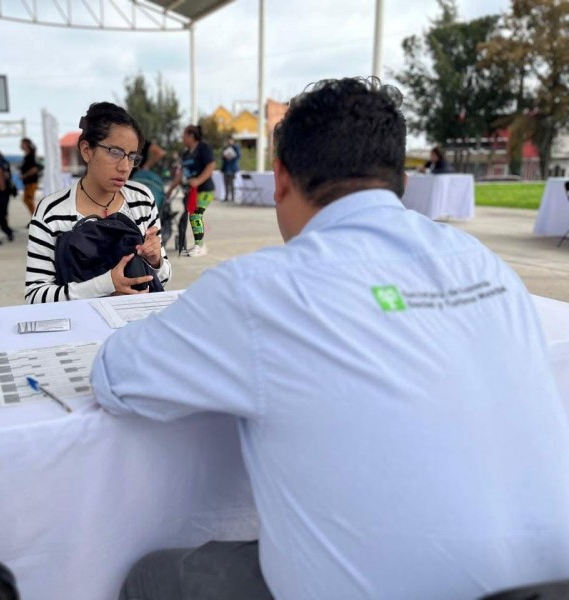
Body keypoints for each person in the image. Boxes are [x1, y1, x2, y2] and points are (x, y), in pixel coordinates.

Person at [91, 77, 569, 599]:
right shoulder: (484, 264)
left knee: (153, 577)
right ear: (401, 179)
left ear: (280, 179)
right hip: (550, 583)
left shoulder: (261, 289)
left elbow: (115, 376)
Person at [25, 102, 171, 303]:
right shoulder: (52, 212)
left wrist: (156, 261)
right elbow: (35, 297)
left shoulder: (142, 199)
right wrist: (106, 285)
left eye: (131, 156)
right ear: (86, 150)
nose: (125, 167)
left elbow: (163, 278)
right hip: (81, 321)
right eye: (115, 152)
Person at [167, 125, 216, 257]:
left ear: (191, 136)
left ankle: (200, 246)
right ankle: (192, 244)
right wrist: (170, 189)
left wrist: (198, 180)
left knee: (195, 215)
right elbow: (181, 174)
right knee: (190, 216)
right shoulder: (185, 154)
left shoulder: (203, 148)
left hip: (205, 190)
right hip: (191, 192)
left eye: (184, 135)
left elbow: (211, 165)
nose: (182, 138)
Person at [20, 137, 43, 217]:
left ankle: (36, 217)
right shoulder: (28, 156)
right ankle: (35, 217)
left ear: (27, 144)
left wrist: (25, 175)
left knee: (28, 199)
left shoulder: (31, 156)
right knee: (27, 199)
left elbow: (34, 169)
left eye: (22, 144)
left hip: (31, 182)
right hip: (28, 182)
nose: (21, 146)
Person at [221, 135, 241, 202]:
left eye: (230, 140)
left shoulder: (236, 147)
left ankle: (232, 197)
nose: (229, 142)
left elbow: (238, 156)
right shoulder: (225, 148)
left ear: (233, 141)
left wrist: (231, 156)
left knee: (232, 183)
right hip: (225, 168)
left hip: (232, 168)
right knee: (226, 183)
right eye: (228, 140)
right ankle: (226, 197)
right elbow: (222, 157)